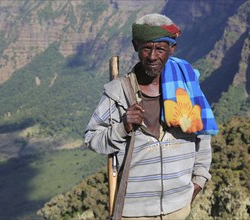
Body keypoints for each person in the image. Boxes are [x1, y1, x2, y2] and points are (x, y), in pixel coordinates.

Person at [84, 13, 218, 219]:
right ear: (135, 46)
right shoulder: (118, 92)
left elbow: (203, 136)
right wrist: (123, 127)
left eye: (160, 49)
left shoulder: (187, 86)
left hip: (179, 209)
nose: (153, 56)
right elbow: (92, 139)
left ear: (171, 49)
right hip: (134, 213)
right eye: (146, 48)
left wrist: (198, 182)